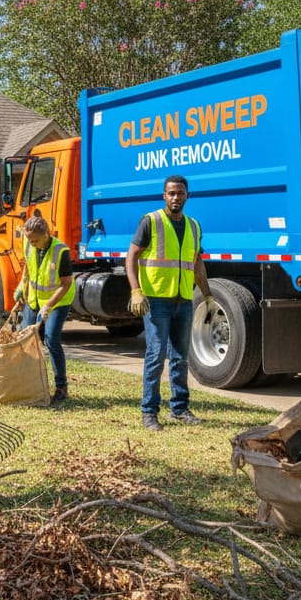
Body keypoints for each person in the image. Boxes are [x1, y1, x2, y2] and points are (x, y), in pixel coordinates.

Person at [126, 174, 214, 431]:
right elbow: (131, 257)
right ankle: (149, 412)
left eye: (180, 193)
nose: (176, 197)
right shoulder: (150, 221)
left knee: (180, 357)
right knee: (156, 355)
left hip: (183, 300)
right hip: (156, 300)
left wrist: (207, 295)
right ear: (164, 196)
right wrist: (136, 291)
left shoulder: (194, 226)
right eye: (171, 193)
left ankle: (180, 408)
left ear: (187, 195)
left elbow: (197, 262)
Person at [13, 215, 75, 403]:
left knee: (51, 338)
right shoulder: (29, 243)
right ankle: (27, 384)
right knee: (24, 337)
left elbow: (65, 284)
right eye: (29, 239)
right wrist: (21, 291)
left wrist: (48, 305)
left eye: (35, 240)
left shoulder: (61, 251)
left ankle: (61, 388)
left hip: (58, 301)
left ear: (46, 234)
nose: (32, 243)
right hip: (35, 298)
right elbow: (28, 270)